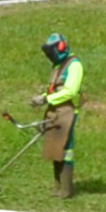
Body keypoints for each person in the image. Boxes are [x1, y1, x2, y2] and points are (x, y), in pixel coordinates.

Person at [33, 32, 84, 196]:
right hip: (55, 109)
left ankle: (66, 189)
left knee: (65, 148)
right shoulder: (57, 66)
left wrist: (47, 99)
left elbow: (70, 91)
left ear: (61, 48)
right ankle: (58, 186)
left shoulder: (74, 65)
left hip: (67, 110)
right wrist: (42, 98)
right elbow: (54, 87)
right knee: (54, 148)